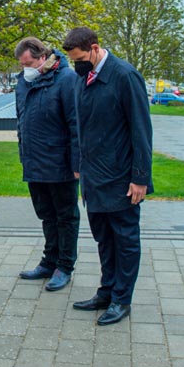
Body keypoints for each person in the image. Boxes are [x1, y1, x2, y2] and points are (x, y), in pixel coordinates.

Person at [62, 26, 153, 325]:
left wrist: (140, 177)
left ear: (95, 48)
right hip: (93, 177)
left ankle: (121, 299)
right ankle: (107, 291)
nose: (77, 65)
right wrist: (78, 163)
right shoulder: (83, 78)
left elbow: (141, 129)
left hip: (121, 177)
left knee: (124, 240)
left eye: (80, 59)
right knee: (104, 239)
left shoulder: (125, 76)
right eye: (73, 60)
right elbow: (79, 126)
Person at [14, 37, 80, 292]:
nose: (25, 69)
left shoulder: (66, 79)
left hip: (60, 164)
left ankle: (64, 266)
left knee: (65, 217)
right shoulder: (24, 82)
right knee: (46, 215)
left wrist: (76, 162)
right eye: (22, 65)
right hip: (34, 162)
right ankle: (49, 261)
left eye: (28, 63)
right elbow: (22, 120)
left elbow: (75, 124)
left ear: (42, 57)